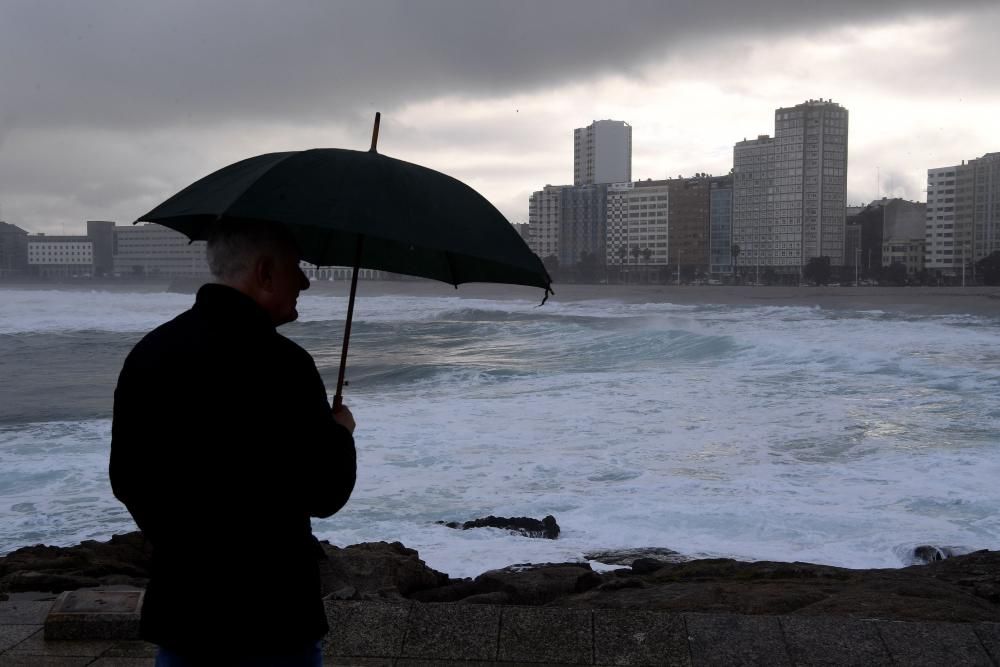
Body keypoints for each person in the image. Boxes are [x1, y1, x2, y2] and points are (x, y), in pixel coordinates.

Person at [110, 219, 357, 666]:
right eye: (295, 267)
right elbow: (325, 492)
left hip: (185, 610)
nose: (304, 280)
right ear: (264, 272)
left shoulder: (152, 352)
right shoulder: (285, 366)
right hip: (275, 615)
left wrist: (189, 549)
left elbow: (128, 478)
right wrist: (340, 434)